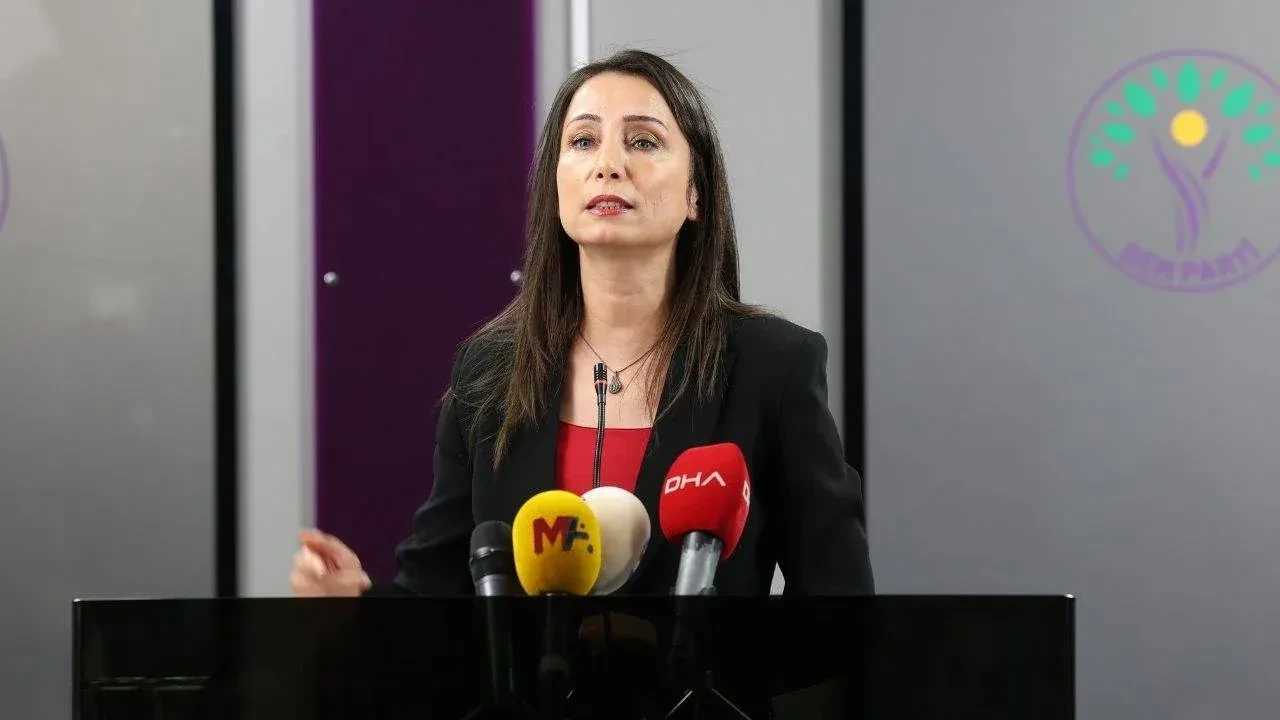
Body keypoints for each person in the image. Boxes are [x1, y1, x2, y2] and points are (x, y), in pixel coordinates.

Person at [290, 49, 874, 600]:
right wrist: (357, 604)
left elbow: (840, 610)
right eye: (583, 141)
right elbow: (436, 593)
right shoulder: (489, 372)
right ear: (556, 184)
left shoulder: (773, 366)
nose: (608, 165)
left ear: (695, 194)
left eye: (643, 142)